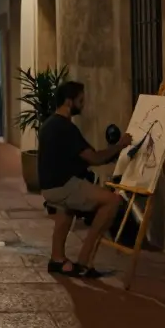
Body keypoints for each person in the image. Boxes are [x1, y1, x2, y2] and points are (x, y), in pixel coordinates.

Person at [38, 81, 132, 278]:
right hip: (63, 185)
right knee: (112, 201)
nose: (84, 104)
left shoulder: (49, 124)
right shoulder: (65, 128)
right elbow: (94, 158)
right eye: (81, 100)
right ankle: (84, 261)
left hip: (49, 186)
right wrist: (121, 145)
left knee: (67, 209)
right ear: (69, 101)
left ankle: (57, 260)